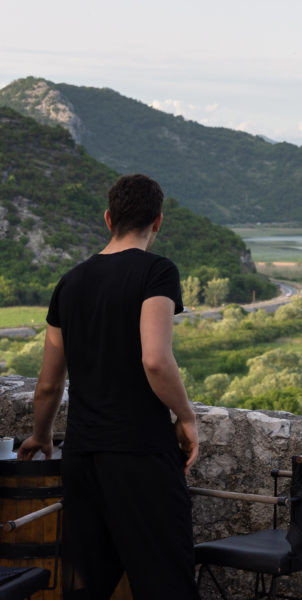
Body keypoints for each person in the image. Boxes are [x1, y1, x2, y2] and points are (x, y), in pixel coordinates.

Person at [18, 174, 200, 599]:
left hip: (82, 457)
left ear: (107, 219)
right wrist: (187, 416)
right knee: (166, 582)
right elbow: (155, 360)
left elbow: (48, 384)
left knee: (88, 587)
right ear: (157, 222)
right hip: (141, 455)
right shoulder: (157, 272)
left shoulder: (70, 282)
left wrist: (41, 435)